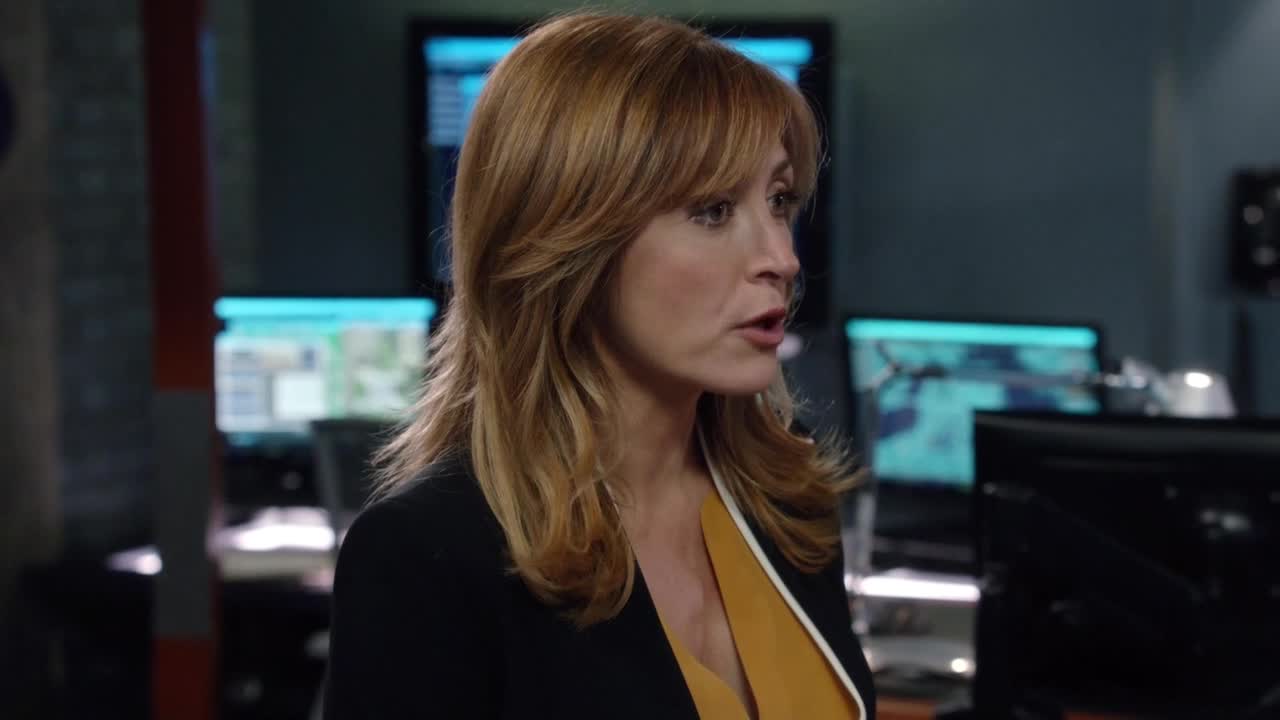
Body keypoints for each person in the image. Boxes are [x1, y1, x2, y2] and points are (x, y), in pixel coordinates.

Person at [323, 12, 876, 720]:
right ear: (571, 238)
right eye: (712, 210)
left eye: (778, 201)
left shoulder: (789, 500)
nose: (782, 257)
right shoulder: (426, 554)